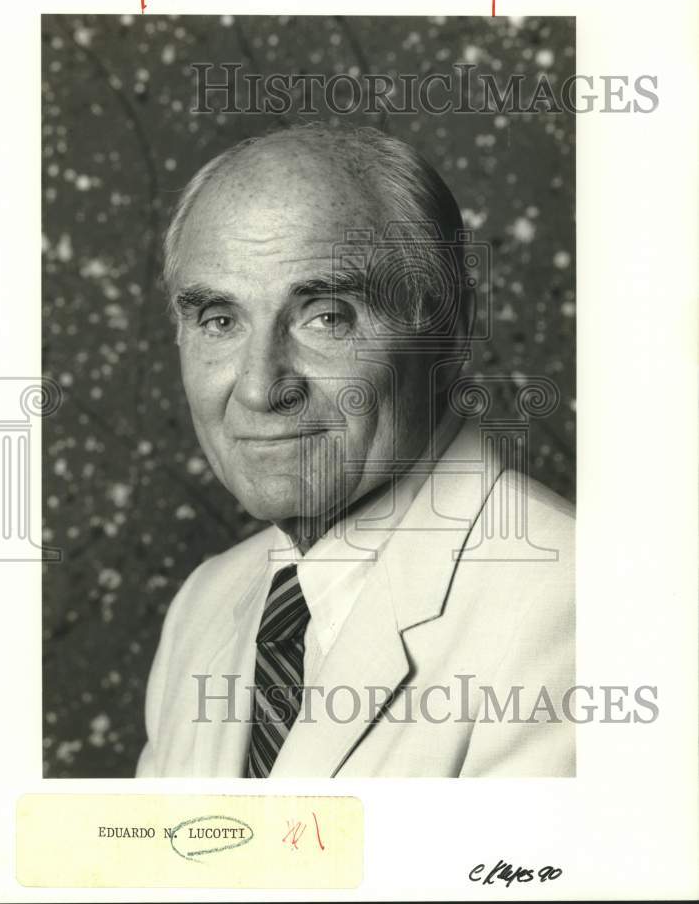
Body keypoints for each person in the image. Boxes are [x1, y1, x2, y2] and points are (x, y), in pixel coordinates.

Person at [136, 124, 575, 778]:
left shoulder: (575, 607)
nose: (259, 387)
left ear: (449, 328)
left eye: (327, 316)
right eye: (220, 321)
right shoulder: (207, 601)